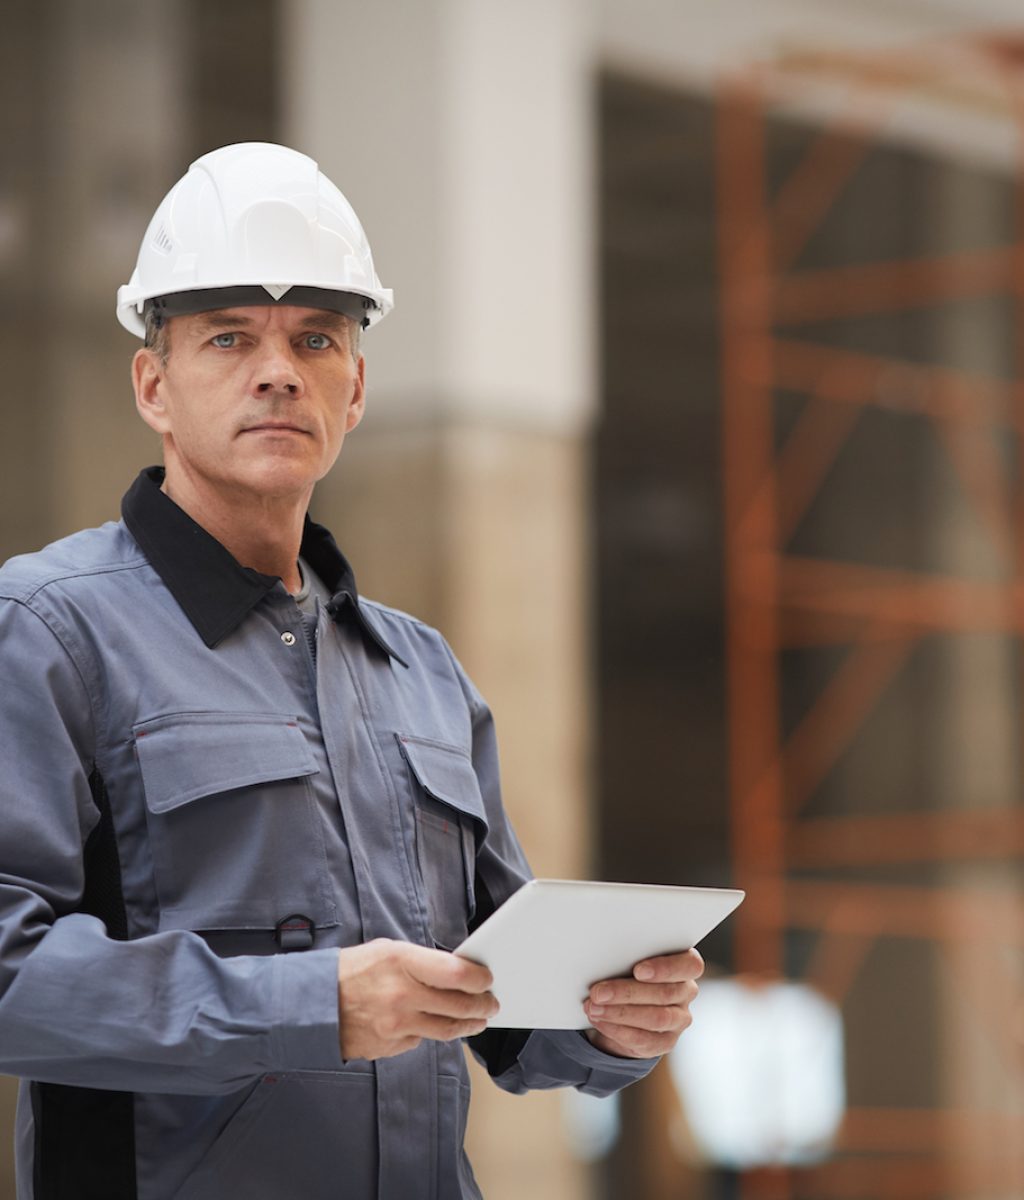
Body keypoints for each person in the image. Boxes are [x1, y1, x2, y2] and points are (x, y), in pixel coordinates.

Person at [0, 142, 704, 1199]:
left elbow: (506, 1008)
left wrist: (613, 1020)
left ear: (356, 386)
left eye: (316, 340)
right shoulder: (51, 631)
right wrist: (316, 1006)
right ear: (154, 383)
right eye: (229, 337)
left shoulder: (420, 671)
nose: (279, 370)